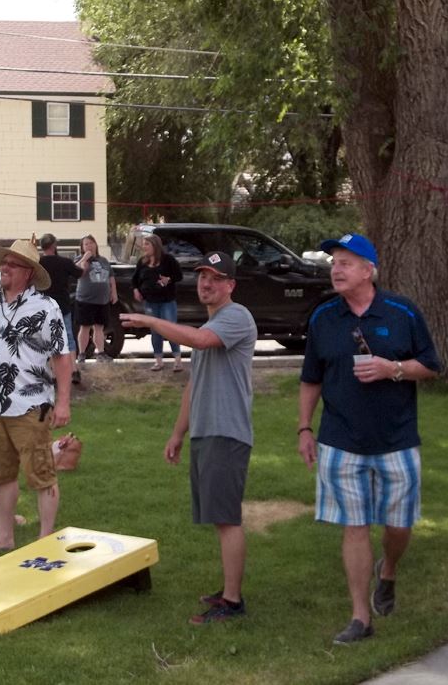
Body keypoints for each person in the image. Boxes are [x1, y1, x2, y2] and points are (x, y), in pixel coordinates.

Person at [297, 233, 440, 645]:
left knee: (398, 525)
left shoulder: (402, 312)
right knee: (354, 527)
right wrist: (305, 428)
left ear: (368, 270)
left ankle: (389, 569)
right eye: (333, 262)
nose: (335, 269)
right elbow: (311, 379)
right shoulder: (324, 317)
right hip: (340, 440)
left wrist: (391, 369)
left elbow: (430, 365)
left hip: (396, 439)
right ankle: (361, 617)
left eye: (345, 262)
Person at [120, 251, 257, 624]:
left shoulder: (236, 317)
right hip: (205, 431)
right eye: (202, 277)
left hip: (227, 431)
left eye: (215, 278)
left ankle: (232, 602)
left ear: (230, 285)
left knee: (227, 518)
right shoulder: (212, 321)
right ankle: (227, 592)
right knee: (219, 516)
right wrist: (178, 432)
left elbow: (198, 341)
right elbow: (194, 384)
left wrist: (150, 319)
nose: (206, 283)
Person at [0, 236, 72, 553]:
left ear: (28, 272)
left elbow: (62, 356)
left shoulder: (46, 307)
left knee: (41, 473)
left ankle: (45, 539)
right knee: (0, 475)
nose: (5, 269)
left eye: (12, 265)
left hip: (32, 406)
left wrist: (64, 400)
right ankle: (4, 537)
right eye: (4, 264)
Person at [131, 233, 184, 372]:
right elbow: (134, 279)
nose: (144, 247)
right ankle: (158, 361)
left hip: (167, 301)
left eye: (147, 244)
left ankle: (177, 361)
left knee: (171, 330)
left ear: (155, 245)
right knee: (155, 331)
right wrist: (136, 290)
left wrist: (168, 279)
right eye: (144, 244)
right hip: (150, 302)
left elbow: (179, 275)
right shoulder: (143, 261)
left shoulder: (168, 260)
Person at [39, 233, 84, 385]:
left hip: (44, 306)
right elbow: (79, 273)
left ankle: (52, 374)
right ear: (54, 246)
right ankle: (74, 370)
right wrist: (84, 261)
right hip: (63, 306)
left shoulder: (38, 263)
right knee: (68, 338)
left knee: (48, 338)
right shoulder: (64, 262)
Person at [74, 234, 117, 362]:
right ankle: (82, 353)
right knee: (85, 327)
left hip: (102, 300)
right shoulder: (80, 259)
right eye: (86, 244)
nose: (89, 246)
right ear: (82, 247)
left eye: (91, 243)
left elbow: (111, 277)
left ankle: (101, 353)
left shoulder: (103, 260)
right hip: (85, 300)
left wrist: (113, 293)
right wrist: (84, 259)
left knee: (99, 327)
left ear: (96, 245)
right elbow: (77, 271)